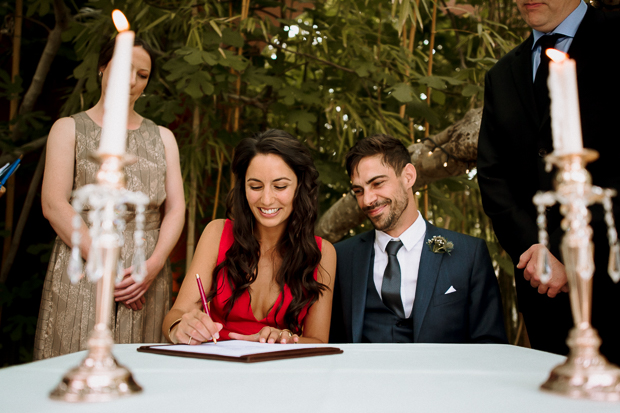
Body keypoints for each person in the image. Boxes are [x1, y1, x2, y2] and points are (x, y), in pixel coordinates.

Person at [477, 0, 620, 364]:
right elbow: (494, 177)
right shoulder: (501, 74)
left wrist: (565, 251)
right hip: (542, 289)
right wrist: (537, 253)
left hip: (612, 274)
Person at [34, 38, 185, 359]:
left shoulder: (164, 138)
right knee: (74, 363)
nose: (132, 81)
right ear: (102, 67)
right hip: (86, 262)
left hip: (145, 274)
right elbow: (53, 204)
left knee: (141, 371)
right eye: (125, 69)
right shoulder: (67, 129)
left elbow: (176, 208)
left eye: (142, 75)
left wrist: (154, 265)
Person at [330, 134, 507, 344]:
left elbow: (490, 345)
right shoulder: (341, 257)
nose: (367, 200)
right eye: (359, 191)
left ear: (408, 177)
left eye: (377, 183)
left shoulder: (469, 254)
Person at [163, 130, 336, 345]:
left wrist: (286, 339)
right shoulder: (217, 233)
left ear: (300, 187)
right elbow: (176, 314)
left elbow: (319, 341)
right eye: (255, 186)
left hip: (280, 369)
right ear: (243, 187)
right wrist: (179, 327)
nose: (266, 199)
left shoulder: (322, 252)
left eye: (280, 186)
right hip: (215, 364)